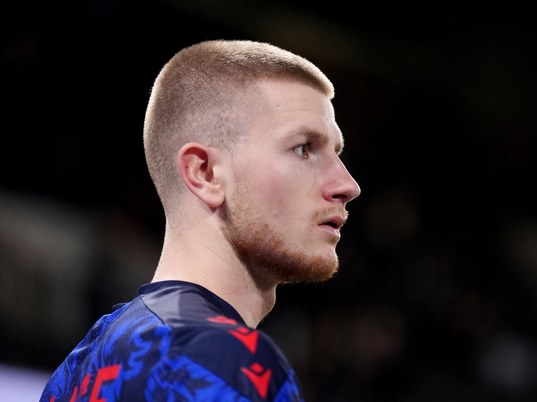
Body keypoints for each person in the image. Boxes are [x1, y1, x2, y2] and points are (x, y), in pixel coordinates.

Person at [40, 39, 360, 402]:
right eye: (303, 148)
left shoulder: (79, 367)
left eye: (337, 154)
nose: (347, 185)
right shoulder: (224, 359)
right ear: (205, 173)